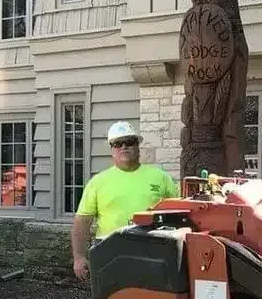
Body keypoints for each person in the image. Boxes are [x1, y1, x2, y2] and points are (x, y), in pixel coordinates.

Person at [71, 120, 180, 280]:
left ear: (137, 146)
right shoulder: (98, 182)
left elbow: (179, 213)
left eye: (129, 142)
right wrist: (79, 257)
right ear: (111, 149)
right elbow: (82, 222)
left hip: (153, 251)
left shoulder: (161, 177)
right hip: (109, 252)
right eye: (117, 143)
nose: (124, 147)